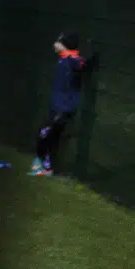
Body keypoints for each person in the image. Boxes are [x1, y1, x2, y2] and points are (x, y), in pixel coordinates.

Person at [30, 31, 89, 176]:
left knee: (46, 134)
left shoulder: (72, 60)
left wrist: (82, 58)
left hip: (63, 108)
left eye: (58, 41)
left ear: (64, 45)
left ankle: (46, 166)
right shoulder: (62, 59)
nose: (55, 44)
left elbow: (81, 64)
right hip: (56, 105)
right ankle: (44, 166)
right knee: (50, 136)